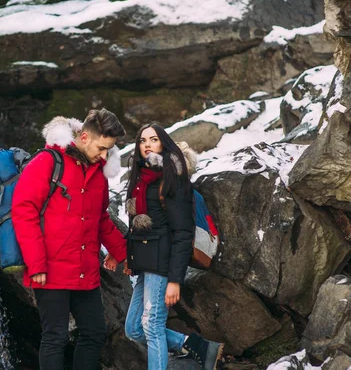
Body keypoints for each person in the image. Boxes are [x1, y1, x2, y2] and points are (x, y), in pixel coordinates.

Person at [12, 108, 128, 370]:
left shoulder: (98, 172)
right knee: (55, 338)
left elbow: (101, 219)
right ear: (84, 137)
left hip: (85, 269)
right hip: (49, 268)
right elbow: (23, 212)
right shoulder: (46, 161)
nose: (104, 155)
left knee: (95, 332)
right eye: (101, 148)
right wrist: (36, 264)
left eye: (108, 150)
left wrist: (123, 252)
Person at [105, 124, 224, 370]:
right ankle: (196, 345)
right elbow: (138, 227)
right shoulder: (139, 179)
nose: (147, 144)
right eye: (142, 140)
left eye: (154, 139)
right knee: (134, 329)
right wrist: (126, 256)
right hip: (145, 262)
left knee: (152, 326)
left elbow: (182, 233)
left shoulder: (172, 178)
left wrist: (174, 280)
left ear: (164, 144)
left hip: (163, 263)